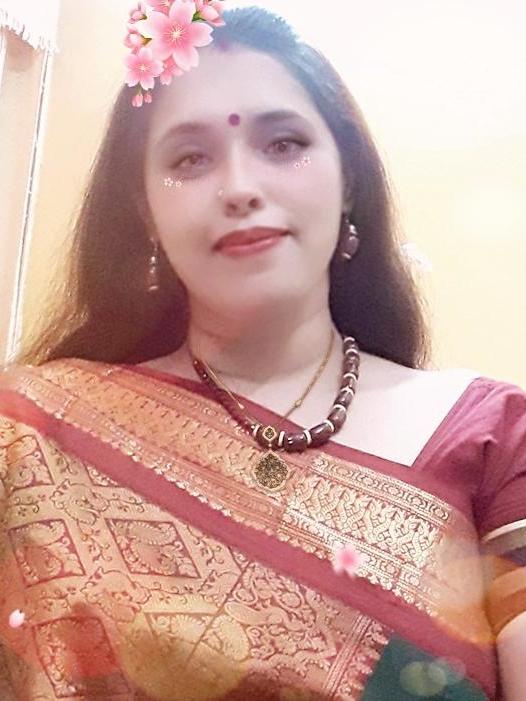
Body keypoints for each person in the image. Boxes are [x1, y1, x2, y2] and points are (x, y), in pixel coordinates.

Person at [0, 4, 525, 700]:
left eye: (282, 143)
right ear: (144, 207)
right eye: (191, 158)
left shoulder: (495, 437)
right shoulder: (31, 438)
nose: (241, 188)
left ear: (349, 179)